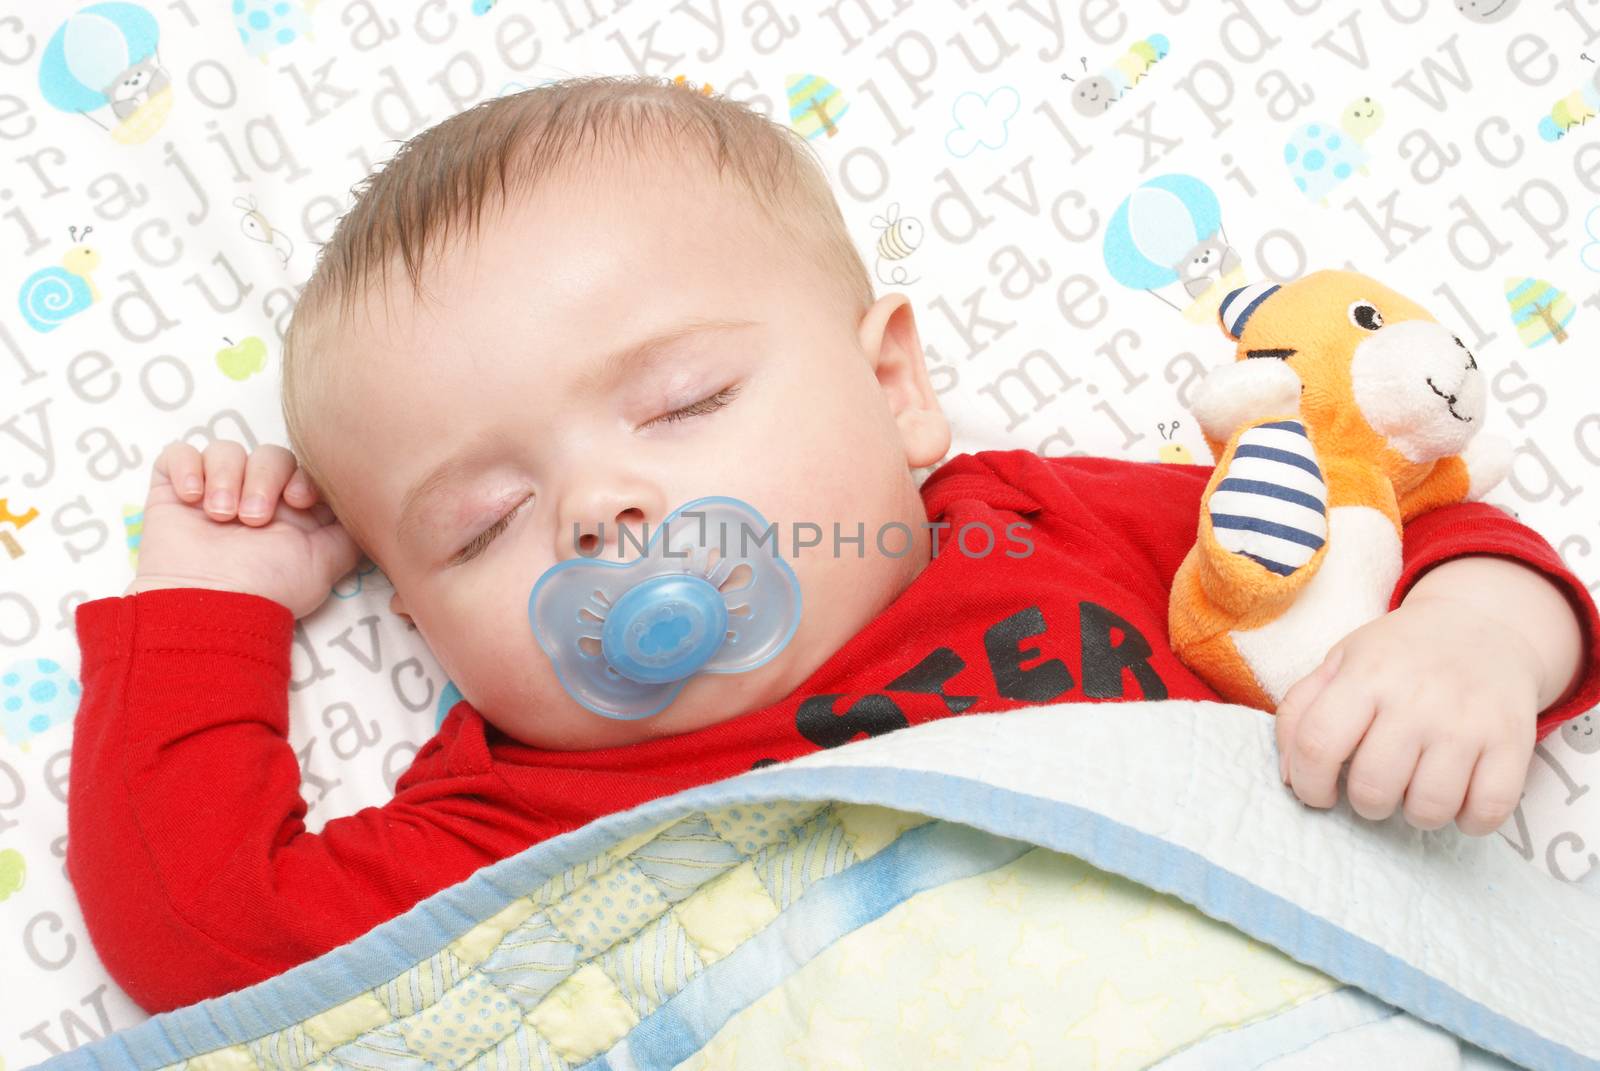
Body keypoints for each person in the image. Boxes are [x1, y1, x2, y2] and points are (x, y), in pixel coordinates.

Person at [66, 75, 1600, 1015]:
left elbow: (1401, 539)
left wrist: (1467, 640)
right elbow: (205, 937)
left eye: (683, 401)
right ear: (416, 623)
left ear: (892, 384)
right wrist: (216, 602)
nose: (603, 511)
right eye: (480, 526)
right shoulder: (503, 823)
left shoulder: (1037, 528)